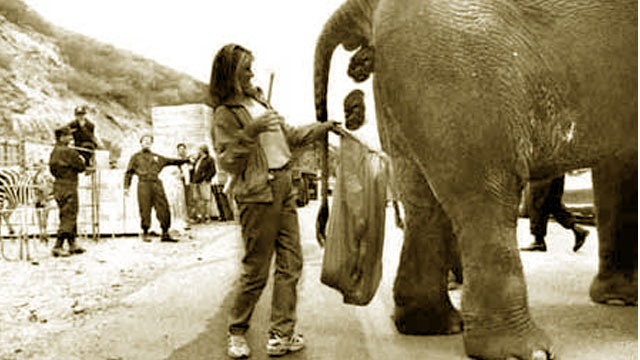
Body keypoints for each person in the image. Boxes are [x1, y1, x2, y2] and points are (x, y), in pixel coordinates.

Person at [209, 43, 340, 359]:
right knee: (256, 270)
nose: (252, 73)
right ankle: (237, 332)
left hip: (284, 186)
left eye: (253, 67)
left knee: (291, 265)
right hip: (257, 194)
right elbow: (228, 161)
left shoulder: (259, 101)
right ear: (231, 73)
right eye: (246, 68)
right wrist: (250, 132)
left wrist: (322, 128)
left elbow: (291, 137)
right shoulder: (226, 114)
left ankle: (281, 334)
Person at [123, 134, 191, 243]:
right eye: (145, 141)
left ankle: (165, 233)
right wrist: (126, 187)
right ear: (141, 143)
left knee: (163, 207)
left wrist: (186, 160)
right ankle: (145, 232)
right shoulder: (135, 157)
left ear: (151, 143)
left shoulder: (157, 157)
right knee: (145, 208)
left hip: (156, 183)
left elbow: (171, 161)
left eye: (149, 141)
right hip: (143, 184)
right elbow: (128, 172)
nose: (147, 142)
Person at [520, 175, 590, 252]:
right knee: (553, 204)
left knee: (536, 203)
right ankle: (577, 229)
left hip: (543, 171)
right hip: (558, 172)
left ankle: (539, 241)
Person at [48, 126, 86, 257]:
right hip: (69, 186)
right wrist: (83, 160)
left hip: (58, 186)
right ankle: (58, 246)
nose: (71, 138)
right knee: (69, 215)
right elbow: (81, 168)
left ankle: (72, 244)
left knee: (66, 214)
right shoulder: (70, 152)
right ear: (61, 137)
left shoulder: (54, 152)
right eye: (68, 136)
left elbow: (52, 170)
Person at [192, 145, 217, 223]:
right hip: (196, 181)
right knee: (198, 199)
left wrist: (206, 178)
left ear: (203, 150)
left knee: (206, 199)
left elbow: (213, 170)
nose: (198, 151)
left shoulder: (209, 159)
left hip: (204, 182)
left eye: (199, 149)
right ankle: (200, 216)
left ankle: (207, 216)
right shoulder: (198, 159)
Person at [176, 143, 196, 220]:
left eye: (183, 149)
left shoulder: (188, 159)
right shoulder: (176, 159)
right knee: (182, 199)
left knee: (190, 198)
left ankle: (191, 216)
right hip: (180, 181)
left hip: (189, 181)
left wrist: (190, 168)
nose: (182, 151)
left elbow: (193, 168)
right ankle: (183, 216)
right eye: (180, 149)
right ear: (178, 150)